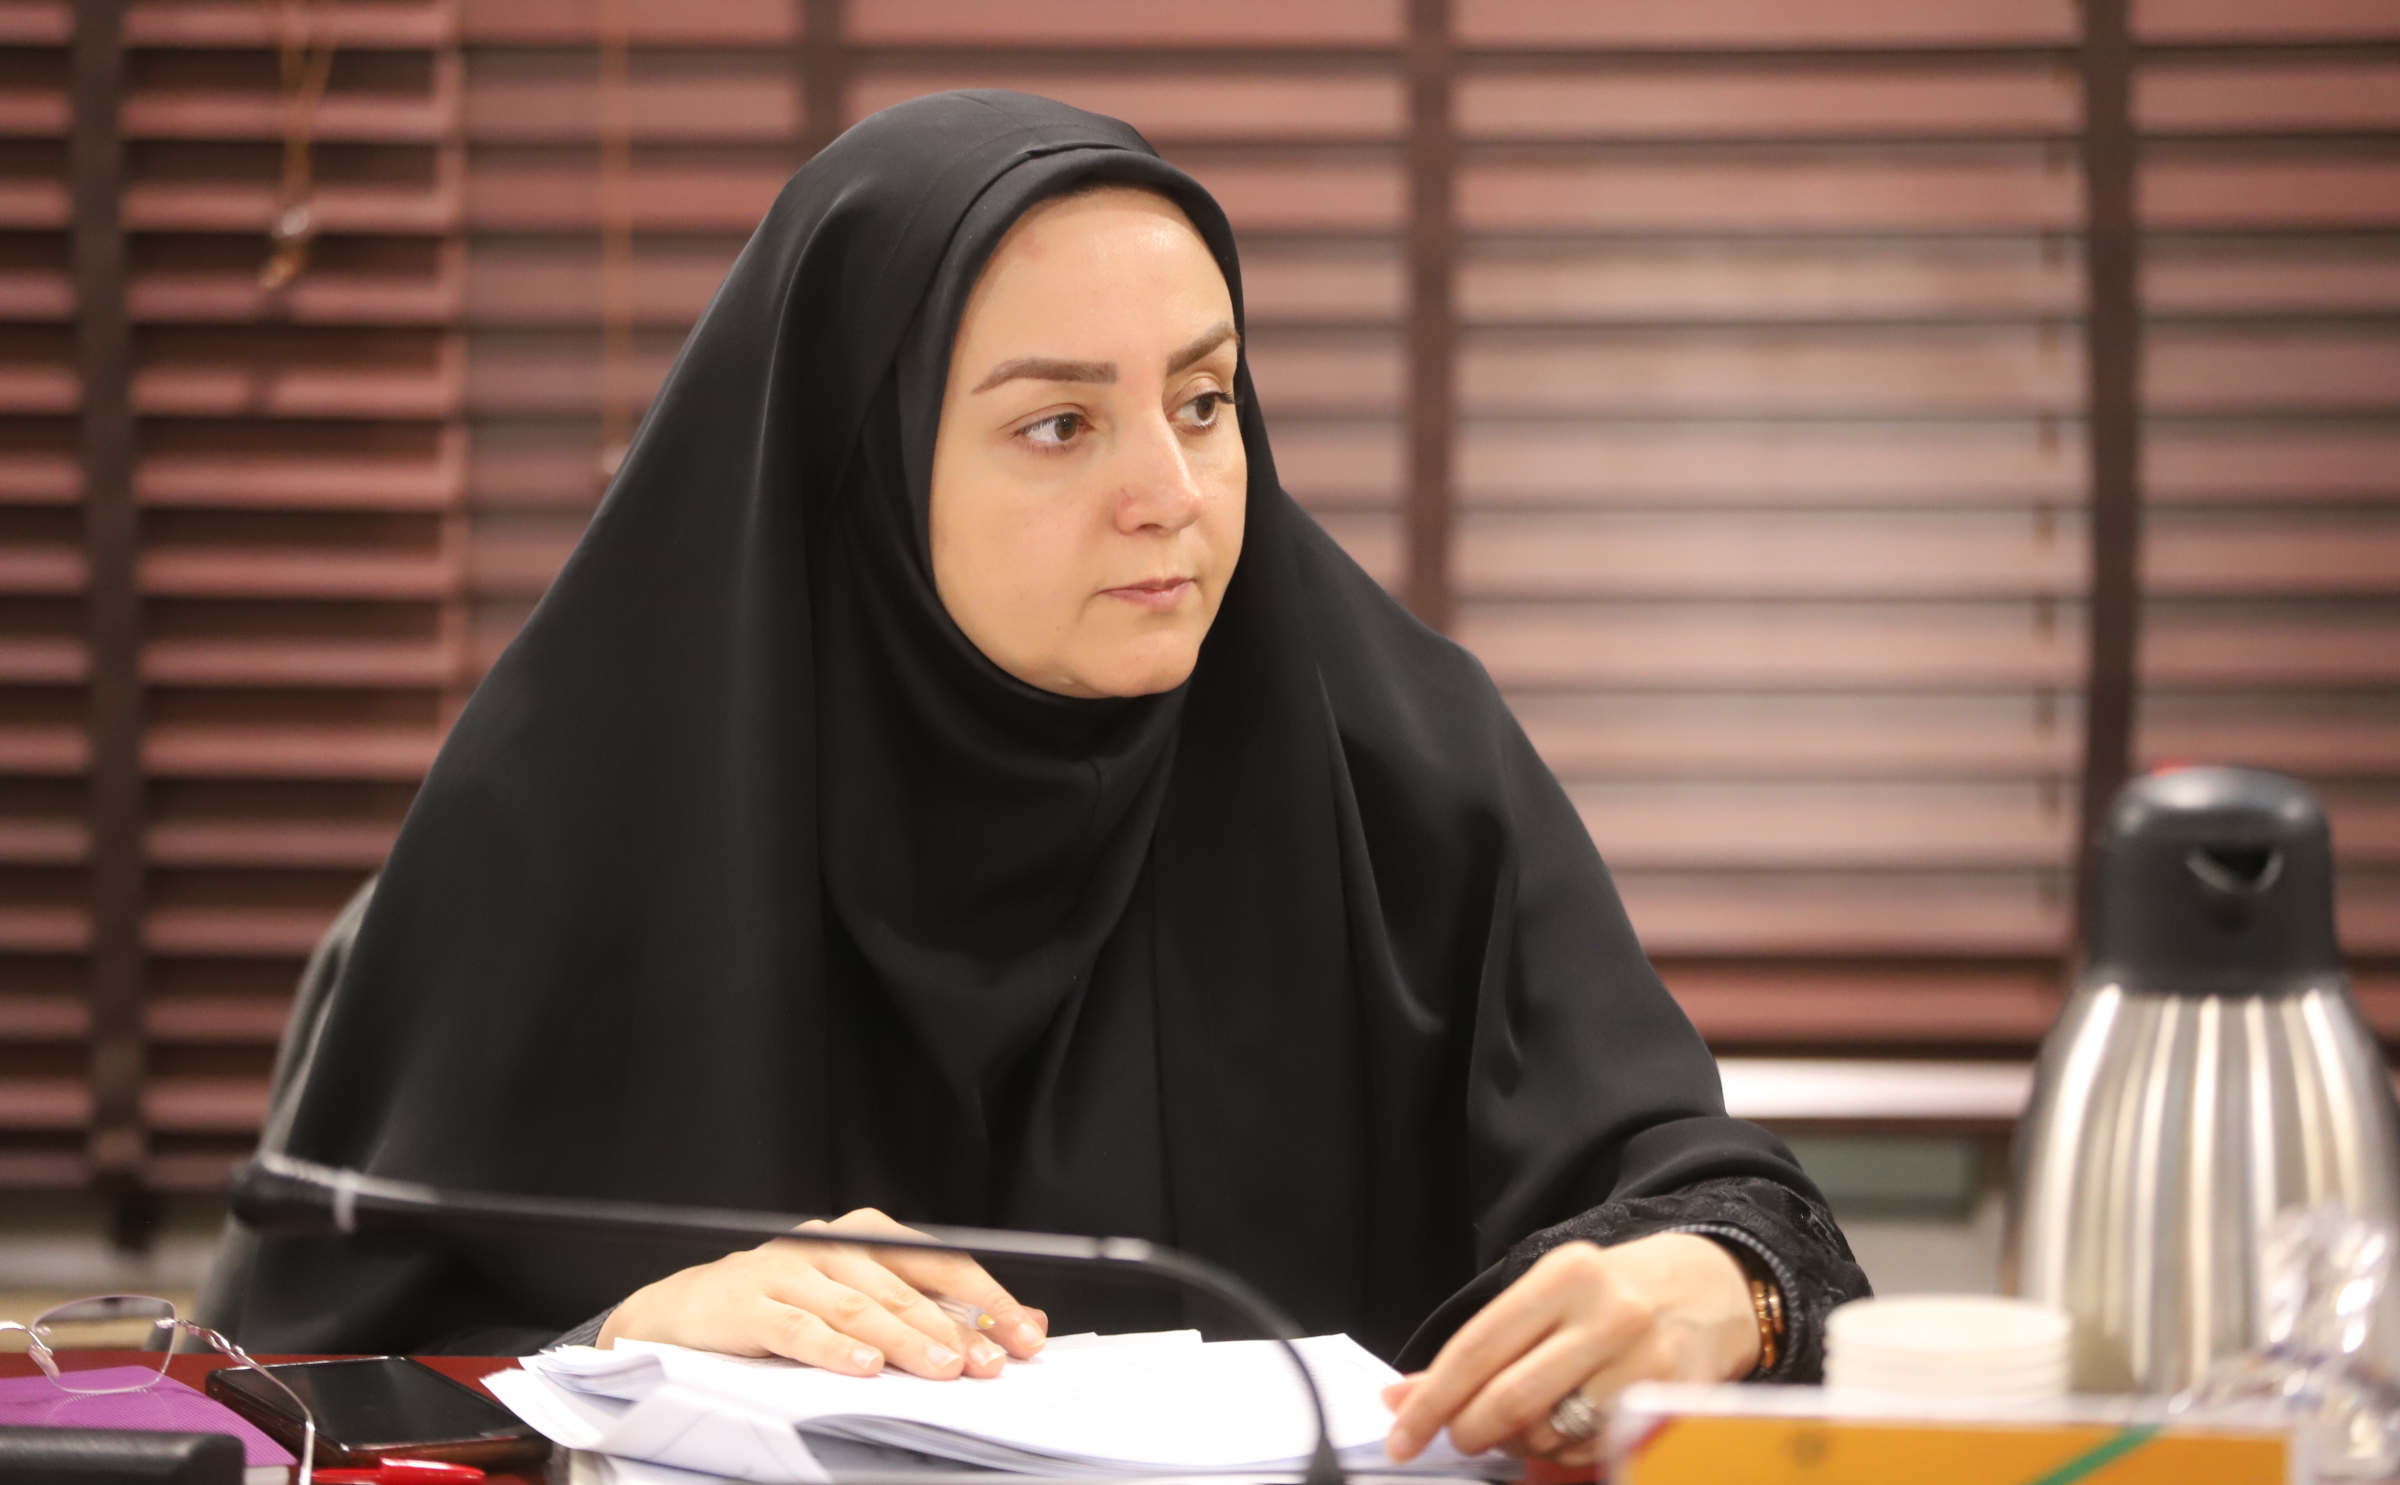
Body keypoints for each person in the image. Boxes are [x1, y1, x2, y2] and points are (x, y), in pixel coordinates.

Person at [224, 90, 1868, 1465]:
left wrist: (1719, 1281)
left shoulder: (1402, 773)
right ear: (859, 470)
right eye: (1059, 426)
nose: (1175, 491)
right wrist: (611, 1345)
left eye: (1204, 401)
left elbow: (1704, 1193)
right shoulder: (558, 839)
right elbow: (271, 1398)